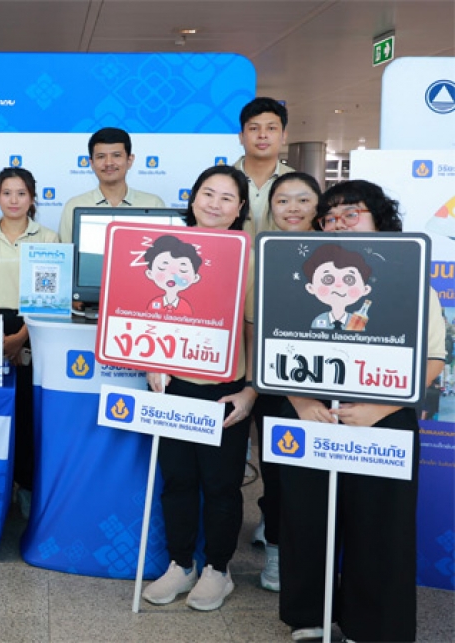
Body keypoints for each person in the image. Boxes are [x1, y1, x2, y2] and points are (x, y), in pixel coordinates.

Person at [279, 180, 446, 643]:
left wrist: (377, 409)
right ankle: (310, 616)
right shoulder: (296, 286)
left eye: (351, 213)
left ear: (380, 220)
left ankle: (371, 627)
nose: (338, 223)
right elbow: (277, 351)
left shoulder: (412, 282)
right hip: (312, 417)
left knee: (380, 527)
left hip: (383, 421)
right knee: (307, 518)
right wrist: (303, 402)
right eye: (330, 217)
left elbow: (433, 359)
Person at [141, 165, 256, 612]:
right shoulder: (165, 250)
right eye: (208, 193)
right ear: (193, 199)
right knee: (178, 480)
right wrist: (151, 364)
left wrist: (250, 391)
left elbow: (257, 329)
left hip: (226, 390)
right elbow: (145, 314)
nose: (215, 204)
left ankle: (218, 570)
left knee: (221, 484)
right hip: (174, 387)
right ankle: (181, 563)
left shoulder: (249, 257)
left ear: (240, 207)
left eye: (227, 197)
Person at [0, 167, 60, 518]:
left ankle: (26, 487)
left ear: (32, 198)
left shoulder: (48, 239)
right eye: (7, 193)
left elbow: (49, 296)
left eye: (21, 193)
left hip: (35, 330)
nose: (14, 200)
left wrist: (21, 338)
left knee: (27, 413)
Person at [248, 171, 321, 593]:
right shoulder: (259, 252)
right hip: (271, 381)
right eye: (282, 201)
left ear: (317, 206)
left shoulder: (340, 250)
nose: (292, 208)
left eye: (303, 200)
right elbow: (249, 321)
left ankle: (312, 554)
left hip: (327, 382)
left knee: (314, 476)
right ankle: (276, 552)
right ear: (270, 208)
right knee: (277, 471)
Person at [58, 127, 166, 243]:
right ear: (91, 163)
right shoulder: (74, 206)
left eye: (116, 155)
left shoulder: (153, 204)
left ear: (129, 160)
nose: (109, 163)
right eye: (101, 157)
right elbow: (68, 253)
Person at [233, 97, 295, 236]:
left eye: (271, 128)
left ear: (284, 136)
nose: (262, 135)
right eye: (254, 128)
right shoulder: (221, 181)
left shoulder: (298, 184)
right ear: (241, 137)